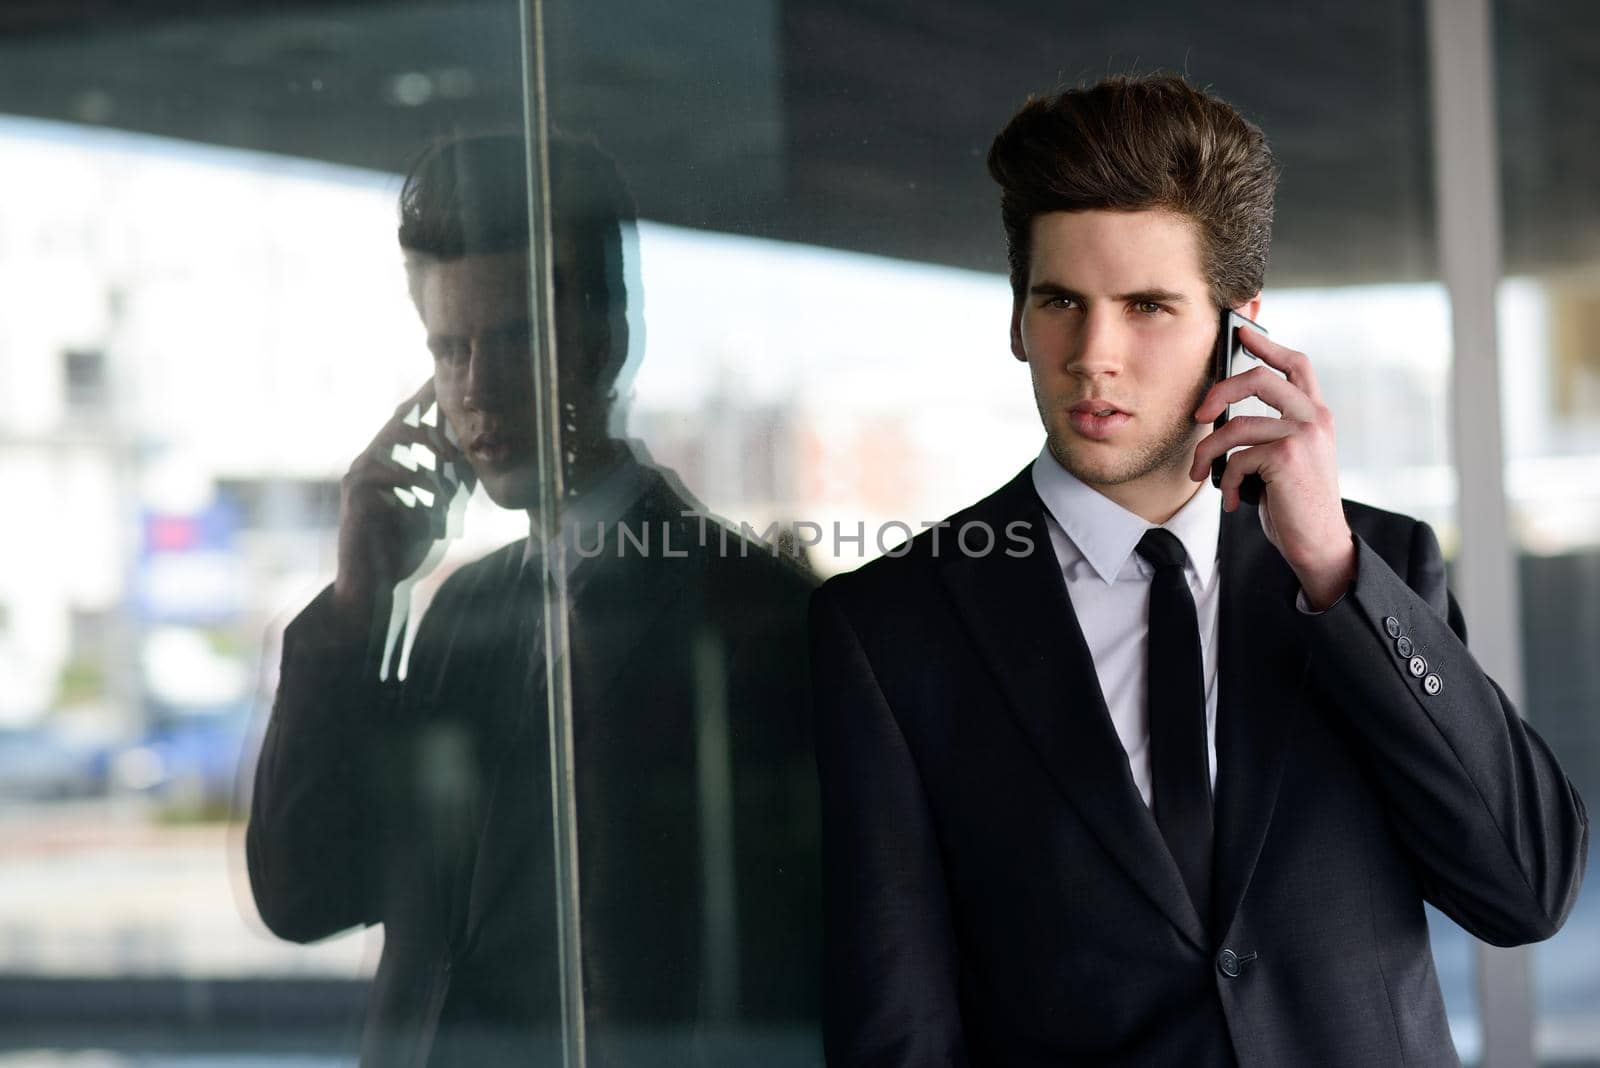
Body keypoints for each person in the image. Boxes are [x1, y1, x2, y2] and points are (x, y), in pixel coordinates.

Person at [810, 74, 1589, 1066]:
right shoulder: (891, 624)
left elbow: (1522, 892)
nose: (1095, 356)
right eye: (1060, 301)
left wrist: (1330, 568)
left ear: (1240, 323)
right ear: (1015, 318)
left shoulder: (1374, 566)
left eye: (1146, 307)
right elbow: (896, 1021)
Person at [246, 133, 819, 1066]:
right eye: (450, 348)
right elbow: (305, 894)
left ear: (603, 339)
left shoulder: (755, 614)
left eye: (511, 340)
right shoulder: (460, 611)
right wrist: (358, 603)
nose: (476, 391)